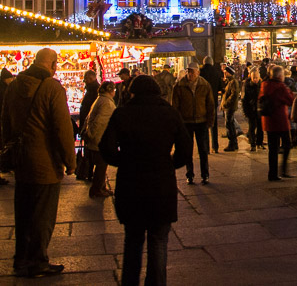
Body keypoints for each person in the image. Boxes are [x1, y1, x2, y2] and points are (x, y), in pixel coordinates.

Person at [100, 75, 189, 286]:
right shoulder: (170, 113)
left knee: (133, 241)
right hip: (161, 186)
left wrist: (125, 160)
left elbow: (107, 148)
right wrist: (169, 163)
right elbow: (185, 148)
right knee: (158, 242)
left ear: (132, 92)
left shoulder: (122, 114)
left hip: (131, 185)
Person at [1, 48, 76, 278]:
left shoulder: (13, 86)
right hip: (45, 161)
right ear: (53, 65)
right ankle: (38, 261)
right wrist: (70, 160)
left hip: (22, 159)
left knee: (23, 212)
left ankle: (21, 258)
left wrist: (9, 148)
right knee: (43, 214)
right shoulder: (52, 88)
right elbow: (62, 127)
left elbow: (5, 120)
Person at [171, 60, 216, 185]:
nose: (190, 74)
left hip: (201, 121)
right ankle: (189, 174)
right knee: (187, 150)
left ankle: (205, 175)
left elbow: (210, 104)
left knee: (203, 149)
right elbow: (175, 106)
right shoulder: (180, 86)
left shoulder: (204, 85)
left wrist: (210, 121)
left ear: (198, 72)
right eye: (188, 72)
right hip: (186, 122)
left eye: (192, 72)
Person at [261, 65, 295, 181]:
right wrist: (289, 90)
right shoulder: (280, 87)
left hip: (268, 121)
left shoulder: (265, 85)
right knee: (287, 144)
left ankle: (273, 173)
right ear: (280, 75)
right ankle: (284, 169)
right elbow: (290, 100)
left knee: (273, 148)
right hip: (280, 120)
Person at [83, 81, 117, 198]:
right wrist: (94, 136)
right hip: (100, 139)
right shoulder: (106, 103)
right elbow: (100, 122)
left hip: (98, 138)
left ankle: (101, 187)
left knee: (102, 165)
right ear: (110, 90)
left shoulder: (101, 100)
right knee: (101, 166)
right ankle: (97, 189)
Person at [199, 56, 223, 154]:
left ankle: (206, 148)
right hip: (213, 100)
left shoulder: (201, 72)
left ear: (204, 62)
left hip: (203, 100)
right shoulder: (216, 72)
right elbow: (220, 87)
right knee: (214, 123)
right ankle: (215, 146)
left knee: (204, 124)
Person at [242, 68, 264, 151]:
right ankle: (253, 144)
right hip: (251, 109)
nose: (255, 79)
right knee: (252, 127)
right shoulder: (247, 86)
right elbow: (244, 100)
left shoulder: (261, 85)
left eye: (256, 77)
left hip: (259, 109)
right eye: (254, 77)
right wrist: (246, 111)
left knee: (260, 127)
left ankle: (259, 143)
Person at [220, 65, 240, 152]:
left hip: (230, 107)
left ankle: (232, 143)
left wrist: (226, 103)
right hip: (229, 106)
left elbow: (234, 94)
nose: (224, 74)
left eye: (225, 72)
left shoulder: (232, 82)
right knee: (230, 124)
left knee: (229, 125)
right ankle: (234, 143)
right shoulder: (229, 82)